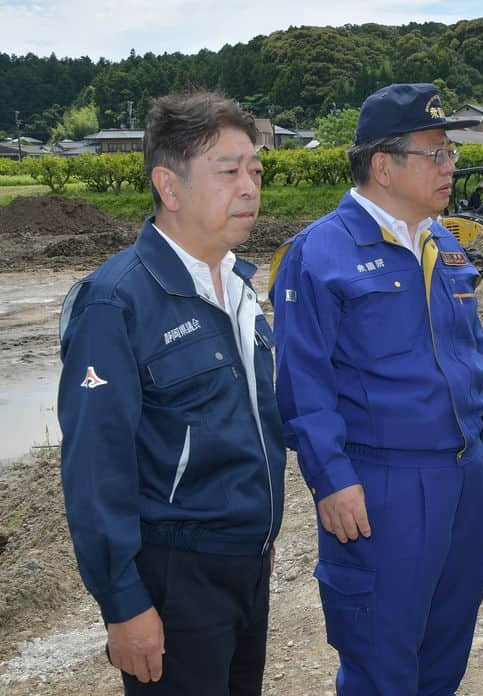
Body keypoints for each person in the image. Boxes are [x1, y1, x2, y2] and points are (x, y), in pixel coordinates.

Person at [270, 82, 483, 695]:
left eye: (450, 153)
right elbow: (303, 381)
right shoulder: (319, 253)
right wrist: (331, 479)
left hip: (462, 479)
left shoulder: (445, 243)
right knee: (382, 655)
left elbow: (473, 353)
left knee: (446, 642)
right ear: (384, 165)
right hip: (383, 485)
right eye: (436, 153)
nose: (451, 166)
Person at [57, 91, 286, 695]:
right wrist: (123, 603)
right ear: (170, 184)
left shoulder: (238, 286)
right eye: (229, 171)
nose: (250, 187)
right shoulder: (117, 301)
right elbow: (93, 466)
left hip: (249, 566)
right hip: (176, 575)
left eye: (256, 170)